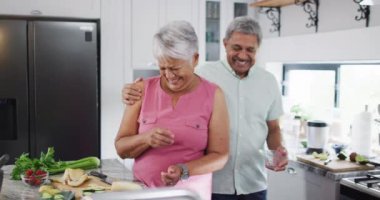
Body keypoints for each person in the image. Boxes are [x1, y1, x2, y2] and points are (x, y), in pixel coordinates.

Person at [122, 16, 288, 200]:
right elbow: (171, 77)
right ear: (225, 44)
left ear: (258, 49)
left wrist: (277, 150)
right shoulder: (201, 74)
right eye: (236, 48)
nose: (242, 55)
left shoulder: (269, 82)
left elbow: (273, 128)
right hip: (214, 184)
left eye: (250, 50)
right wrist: (129, 92)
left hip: (253, 182)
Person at [114, 20, 229, 200]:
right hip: (143, 193)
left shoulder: (214, 95)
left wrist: (184, 170)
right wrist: (146, 139)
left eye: (175, 68)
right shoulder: (141, 90)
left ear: (195, 59)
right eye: (162, 68)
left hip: (191, 195)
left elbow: (220, 156)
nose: (169, 76)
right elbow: (121, 148)